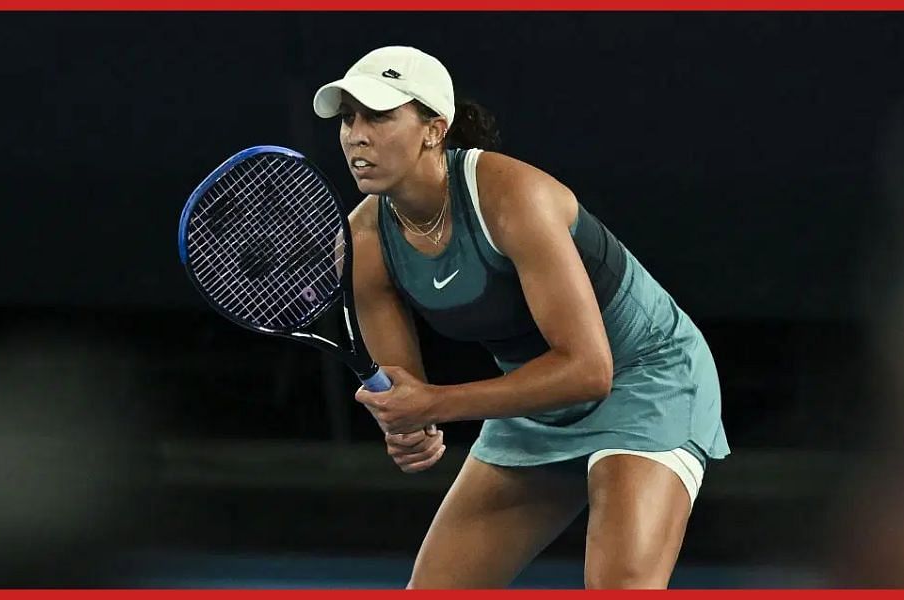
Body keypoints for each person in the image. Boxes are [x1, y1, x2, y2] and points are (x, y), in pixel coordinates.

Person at [311, 46, 730, 589]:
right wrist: (410, 424)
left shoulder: (511, 196)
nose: (356, 135)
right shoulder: (365, 241)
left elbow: (588, 371)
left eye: (379, 116)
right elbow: (408, 389)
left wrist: (436, 402)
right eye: (348, 118)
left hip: (647, 377)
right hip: (535, 400)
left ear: (434, 129)